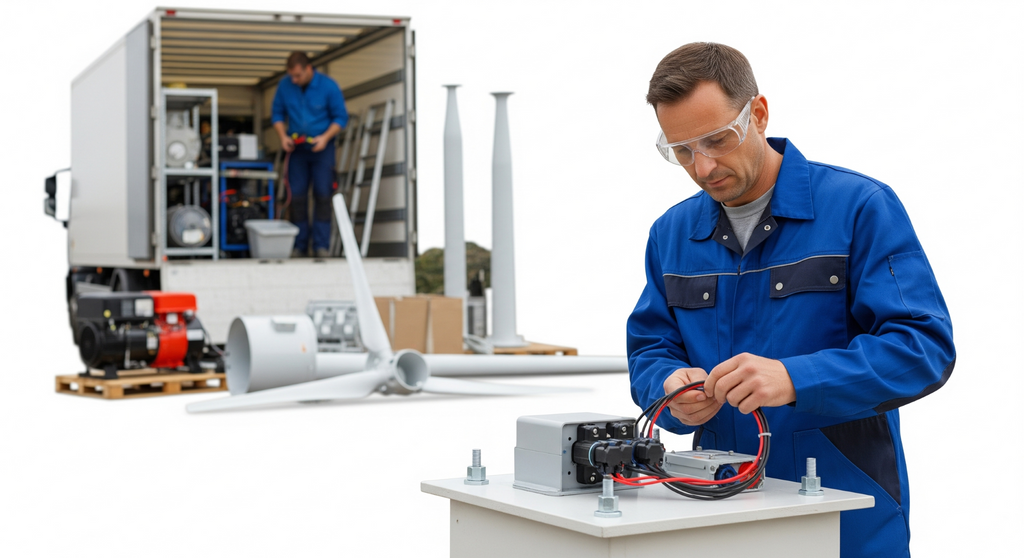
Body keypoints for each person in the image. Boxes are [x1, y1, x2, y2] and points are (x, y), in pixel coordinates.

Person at [627, 42, 954, 558]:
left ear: (757, 113)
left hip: (846, 519)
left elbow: (923, 349)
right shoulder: (670, 235)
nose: (703, 167)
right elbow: (649, 350)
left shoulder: (859, 208)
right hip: (717, 515)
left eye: (717, 139)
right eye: (682, 150)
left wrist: (797, 379)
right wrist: (670, 389)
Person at [271, 51, 349, 258]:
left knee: (323, 195)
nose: (294, 80)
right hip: (297, 150)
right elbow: (277, 114)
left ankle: (321, 246)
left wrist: (324, 138)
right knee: (296, 196)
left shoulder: (328, 86)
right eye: (291, 77)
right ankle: (299, 245)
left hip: (322, 149)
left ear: (308, 69)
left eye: (298, 76)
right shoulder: (285, 86)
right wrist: (282, 137)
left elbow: (341, 117)